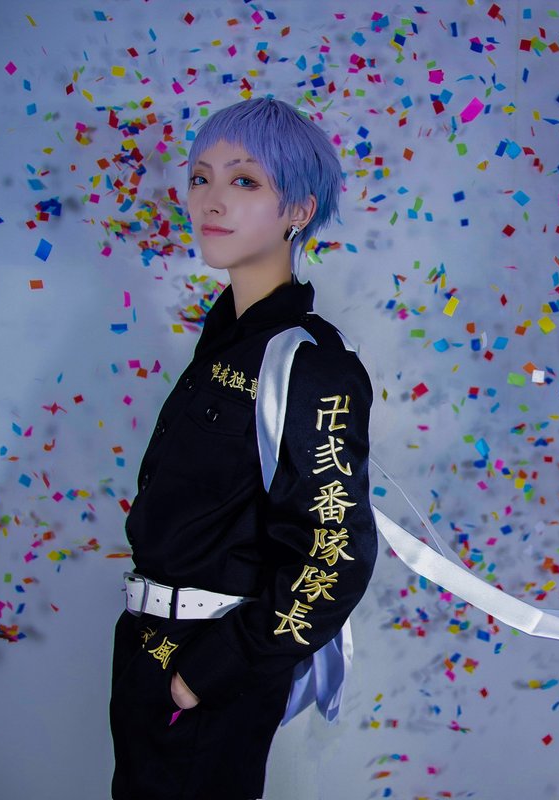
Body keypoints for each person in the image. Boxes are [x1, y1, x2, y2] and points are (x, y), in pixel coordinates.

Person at [109, 97, 376, 800]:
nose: (212, 199)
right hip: (145, 646)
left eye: (244, 180)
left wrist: (210, 672)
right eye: (201, 177)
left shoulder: (309, 362)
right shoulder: (224, 341)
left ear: (299, 210)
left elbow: (335, 554)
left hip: (206, 665)